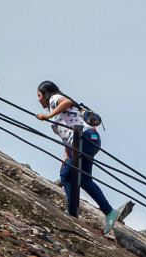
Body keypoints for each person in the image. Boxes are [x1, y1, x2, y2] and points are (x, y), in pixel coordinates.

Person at [34, 81, 133, 234]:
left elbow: (66, 102)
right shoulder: (60, 114)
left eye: (39, 96)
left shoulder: (54, 100)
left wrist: (48, 115)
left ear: (46, 94)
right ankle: (109, 213)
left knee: (66, 176)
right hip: (90, 138)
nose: (39, 99)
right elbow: (67, 139)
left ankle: (72, 212)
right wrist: (65, 159)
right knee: (84, 180)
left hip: (83, 138)